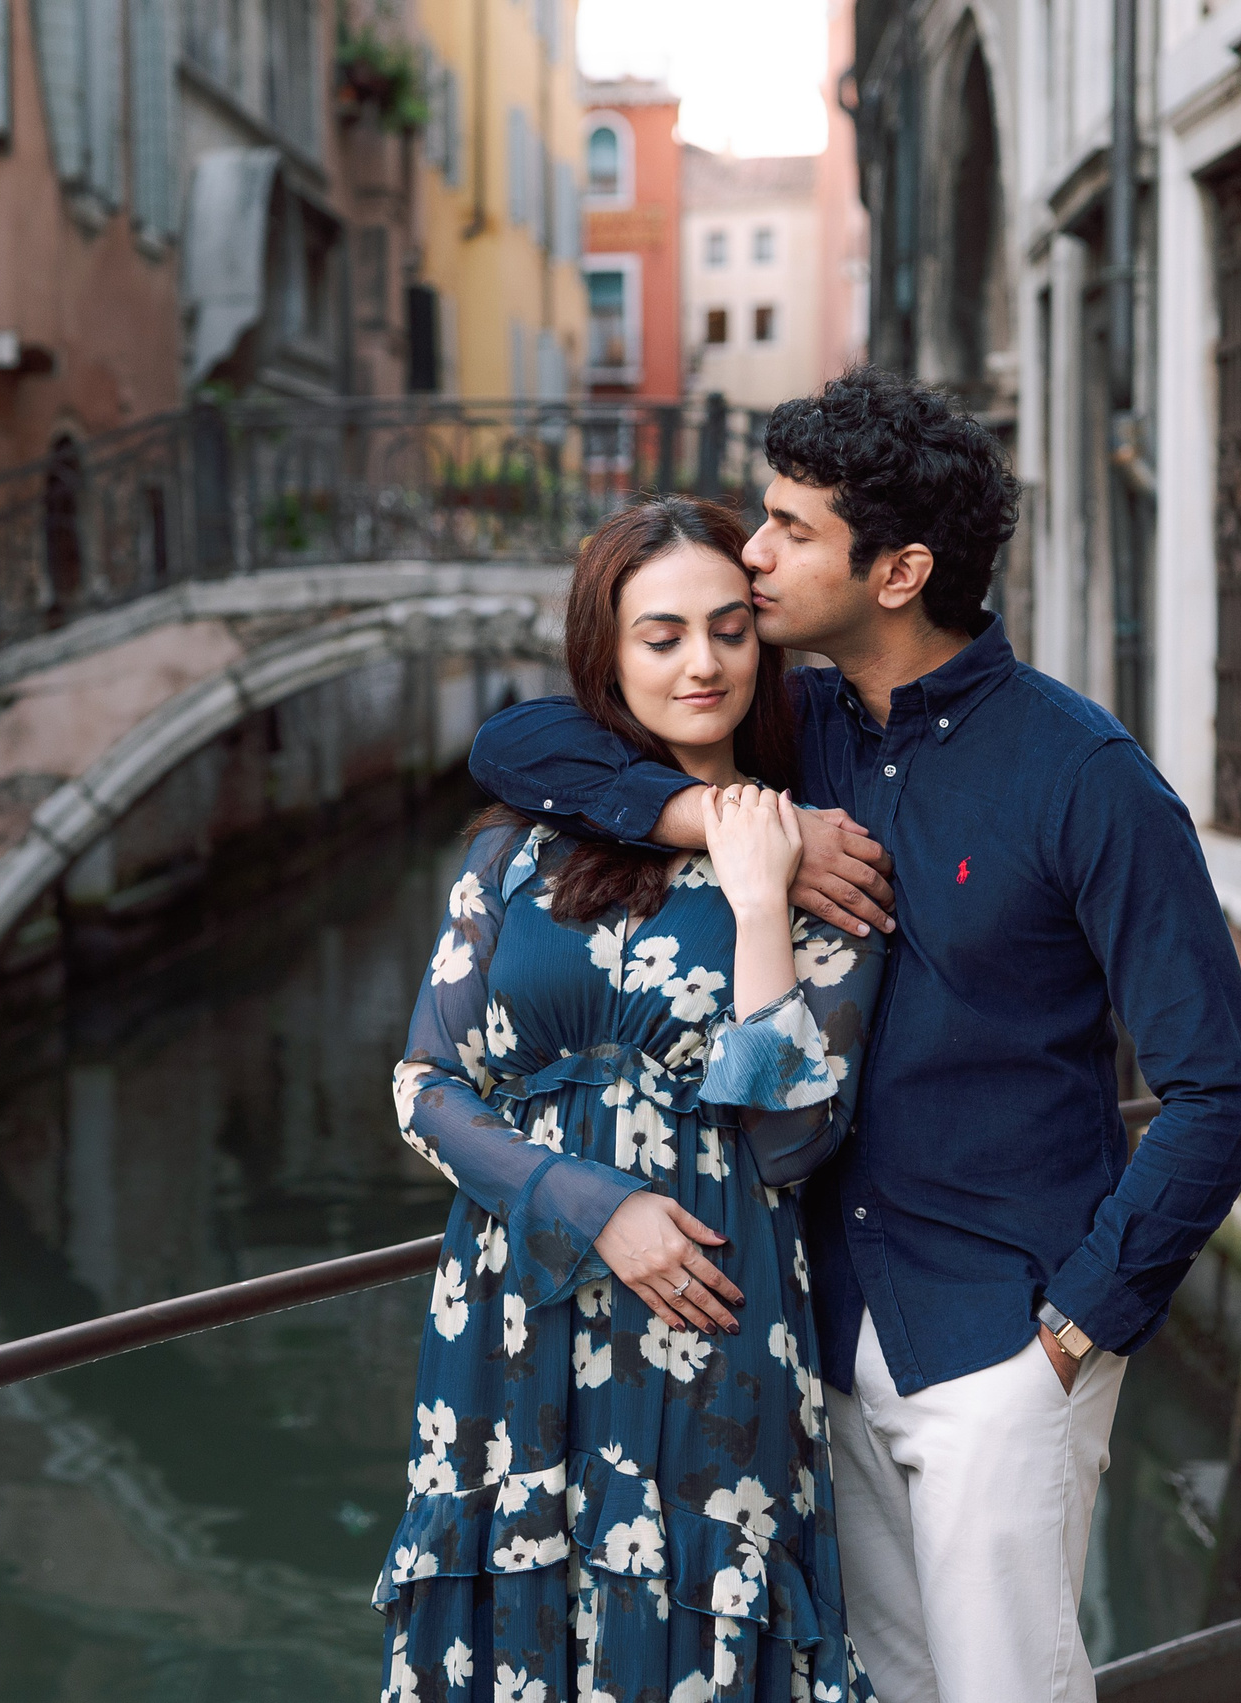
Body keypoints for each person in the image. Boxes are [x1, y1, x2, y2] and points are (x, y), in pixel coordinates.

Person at [468, 368, 1241, 1703]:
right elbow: (522, 742)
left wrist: (1075, 1329)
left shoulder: (1088, 779)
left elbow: (1217, 1091)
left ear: (896, 570)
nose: (753, 553)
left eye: (787, 528)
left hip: (1002, 1333)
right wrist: (711, 825)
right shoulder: (792, 728)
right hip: (817, 1326)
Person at [376, 497, 890, 1703]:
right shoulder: (514, 852)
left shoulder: (823, 866)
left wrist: (762, 899)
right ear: (607, 652)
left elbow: (785, 1143)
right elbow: (423, 1086)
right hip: (511, 1301)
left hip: (713, 1313)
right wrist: (588, 1202)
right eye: (661, 636)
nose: (700, 662)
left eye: (727, 629)